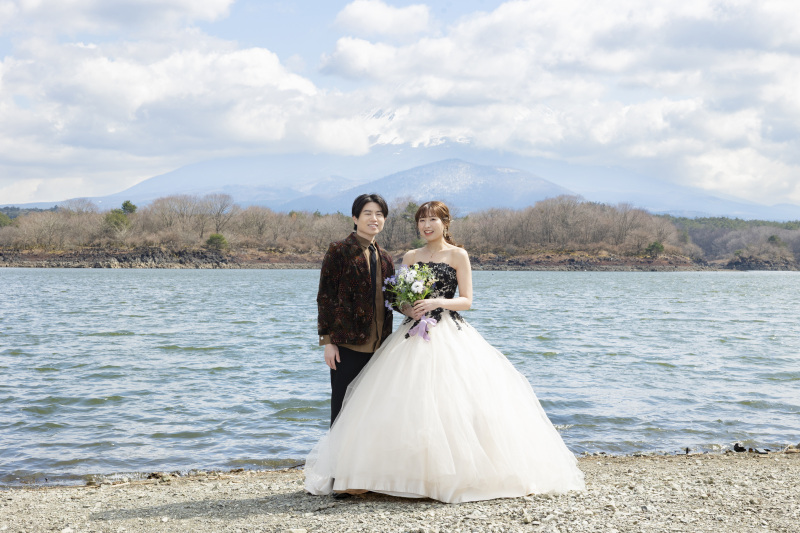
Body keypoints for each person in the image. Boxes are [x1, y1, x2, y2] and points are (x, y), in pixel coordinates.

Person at [305, 200, 585, 503]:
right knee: (393, 401)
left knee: (450, 402)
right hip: (410, 333)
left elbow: (467, 300)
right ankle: (360, 474)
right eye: (421, 220)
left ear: (445, 223)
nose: (426, 226)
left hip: (448, 332)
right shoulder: (409, 256)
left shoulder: (457, 255)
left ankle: (447, 474)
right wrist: (408, 309)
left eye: (433, 220)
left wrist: (438, 302)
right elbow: (394, 298)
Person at [317, 193, 395, 427]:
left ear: (384, 219)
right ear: (355, 218)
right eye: (367, 213)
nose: (374, 219)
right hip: (347, 345)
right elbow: (325, 297)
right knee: (342, 411)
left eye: (379, 214)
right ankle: (336, 453)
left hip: (380, 347)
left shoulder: (386, 258)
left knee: (373, 412)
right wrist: (327, 342)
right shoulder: (339, 250)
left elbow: (392, 299)